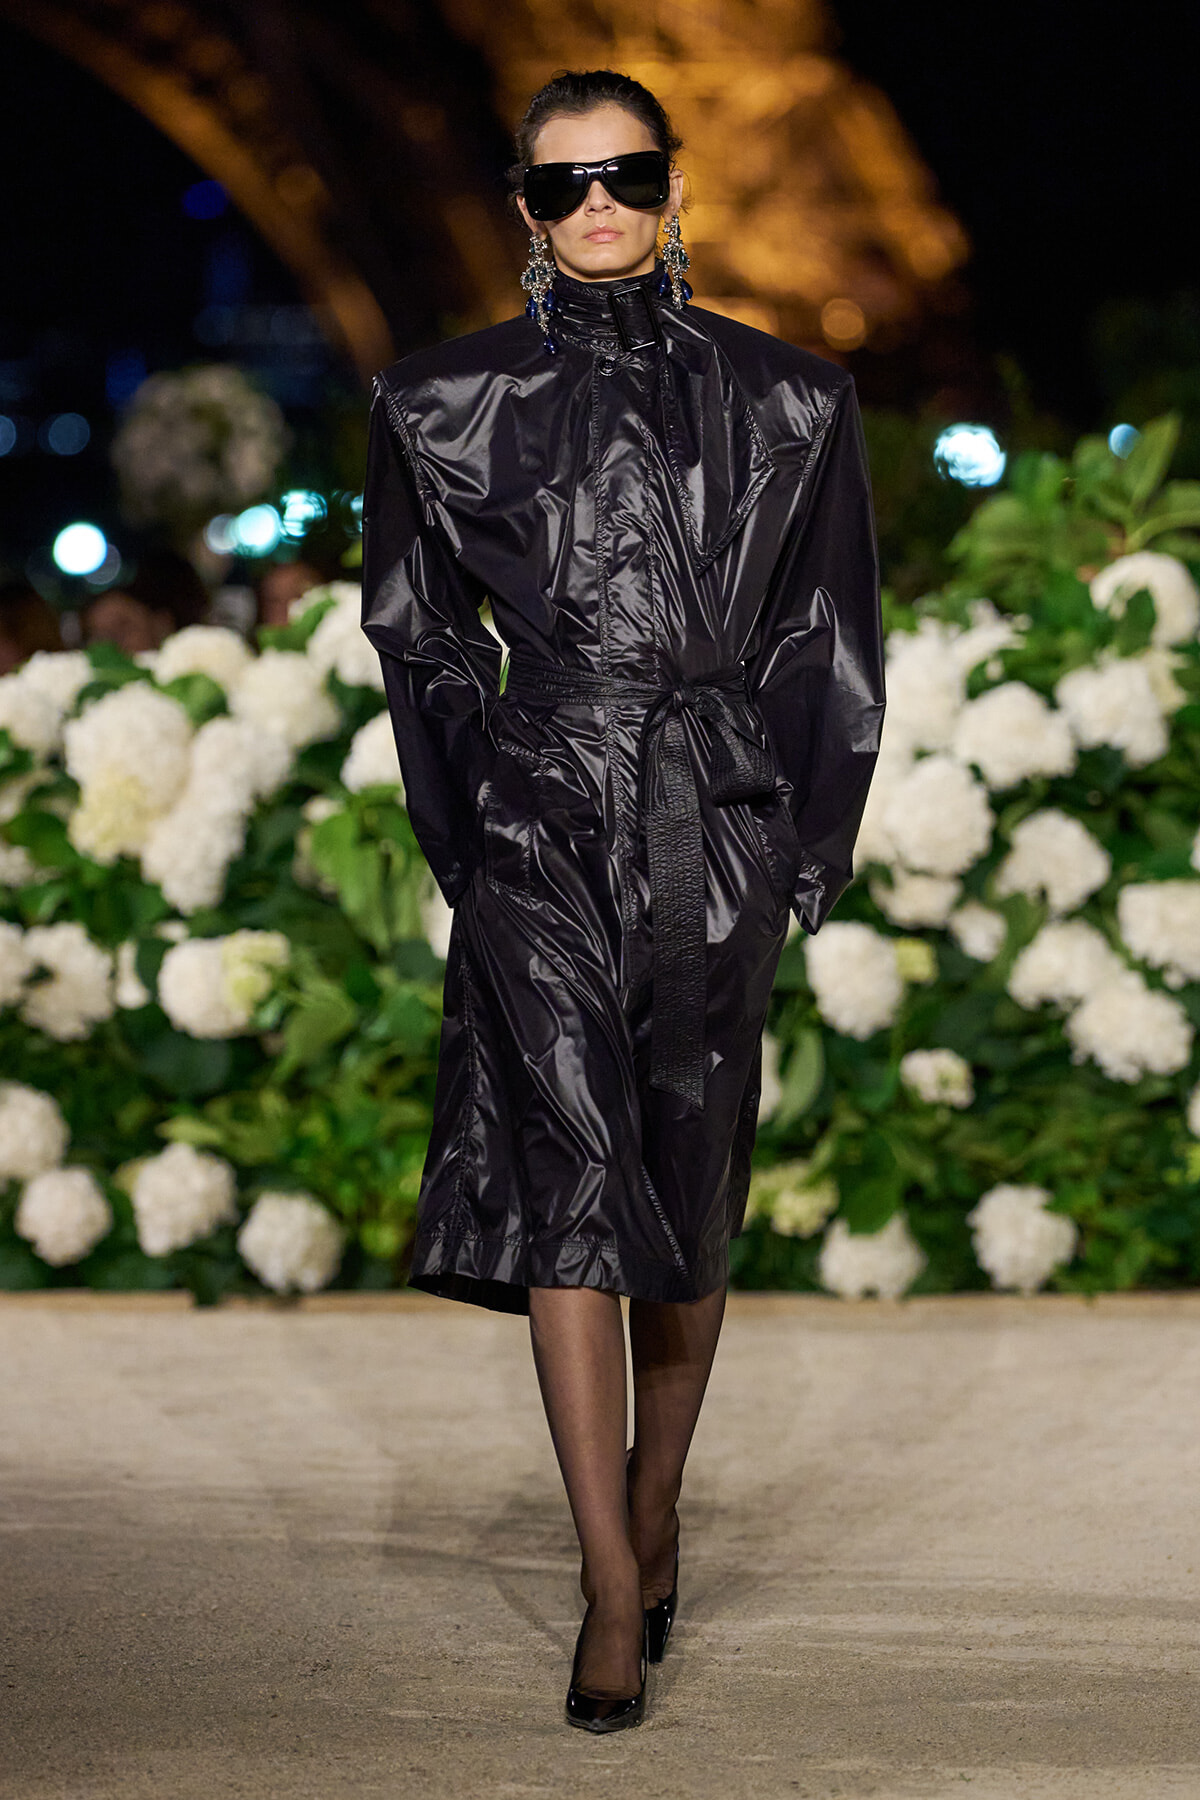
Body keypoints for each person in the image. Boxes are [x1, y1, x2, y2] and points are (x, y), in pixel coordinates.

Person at [361, 68, 885, 1732]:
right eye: (561, 183)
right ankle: (607, 1574)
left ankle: (659, 1515)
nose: (596, 205)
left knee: (687, 1180)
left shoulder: (796, 400)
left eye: (627, 173)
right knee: (571, 1174)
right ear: (522, 207)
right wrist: (471, 841)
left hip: (714, 810)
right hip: (538, 815)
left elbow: (829, 645)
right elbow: (419, 639)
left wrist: (803, 848)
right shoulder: (438, 401)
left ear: (675, 189)